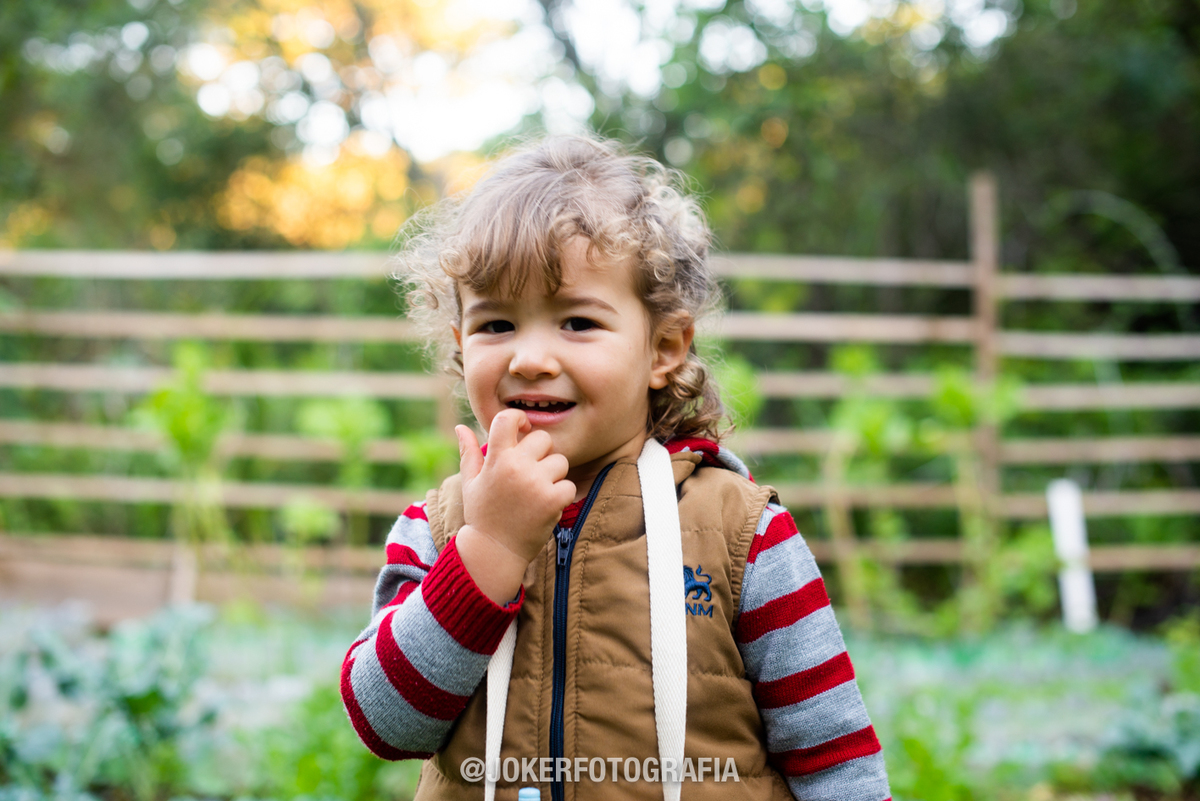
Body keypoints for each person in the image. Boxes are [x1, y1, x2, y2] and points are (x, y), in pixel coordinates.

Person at [340, 135, 891, 801]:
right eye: (496, 325)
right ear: (459, 345)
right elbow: (387, 724)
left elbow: (834, 755)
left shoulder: (743, 533)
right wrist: (487, 549)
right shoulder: (437, 527)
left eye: (575, 321)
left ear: (663, 347)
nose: (531, 357)